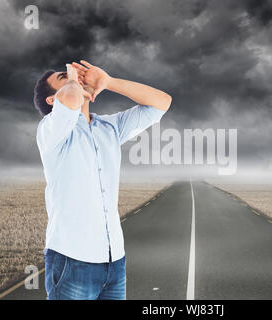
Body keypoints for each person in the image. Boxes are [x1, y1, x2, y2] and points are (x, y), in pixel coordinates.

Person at [34, 60, 172, 300]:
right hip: (72, 259)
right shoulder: (50, 130)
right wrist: (75, 80)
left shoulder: (109, 126)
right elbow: (70, 101)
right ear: (52, 100)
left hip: (114, 260)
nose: (75, 76)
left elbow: (161, 103)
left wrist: (109, 82)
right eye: (63, 77)